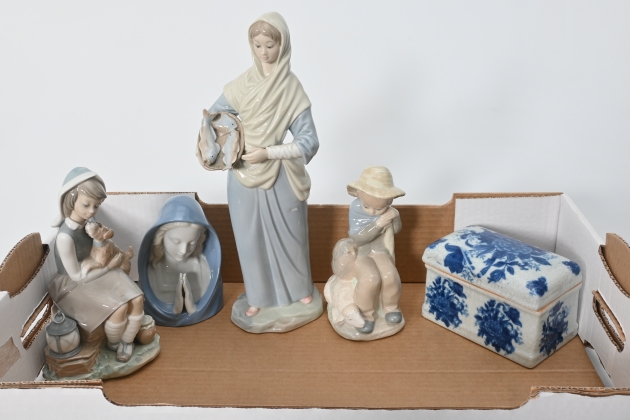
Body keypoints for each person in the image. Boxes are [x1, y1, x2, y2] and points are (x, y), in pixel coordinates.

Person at [207, 12, 319, 318]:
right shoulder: (242, 85)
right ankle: (257, 295)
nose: (264, 52)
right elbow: (215, 117)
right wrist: (234, 142)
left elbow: (309, 141)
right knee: (249, 238)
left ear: (283, 45)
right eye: (257, 45)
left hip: (280, 174)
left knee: (291, 235)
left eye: (270, 45)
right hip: (242, 173)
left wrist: (269, 153)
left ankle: (300, 289)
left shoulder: (291, 88)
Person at [48, 167, 144, 362]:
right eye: (86, 205)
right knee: (118, 308)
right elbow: (77, 276)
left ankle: (127, 341)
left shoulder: (88, 223)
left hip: (96, 270)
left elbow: (99, 247)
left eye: (96, 206)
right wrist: (109, 267)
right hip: (74, 283)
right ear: (70, 199)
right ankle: (114, 343)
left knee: (137, 298)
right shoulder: (65, 237)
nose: (91, 211)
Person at [138, 195, 223, 327]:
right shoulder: (152, 270)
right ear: (160, 237)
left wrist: (193, 309)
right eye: (176, 241)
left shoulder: (204, 268)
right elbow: (149, 307)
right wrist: (175, 309)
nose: (183, 250)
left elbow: (210, 302)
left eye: (192, 243)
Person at [346, 166, 405, 334]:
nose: (372, 212)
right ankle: (366, 314)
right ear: (359, 194)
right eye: (367, 206)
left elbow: (395, 230)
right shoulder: (355, 209)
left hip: (380, 251)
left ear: (389, 201)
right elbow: (358, 238)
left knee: (390, 275)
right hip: (362, 253)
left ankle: (390, 307)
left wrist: (395, 218)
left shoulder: (389, 211)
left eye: (379, 209)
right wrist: (378, 224)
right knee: (371, 278)